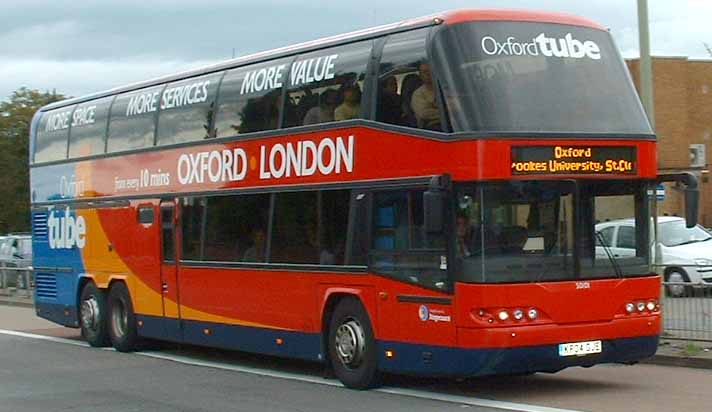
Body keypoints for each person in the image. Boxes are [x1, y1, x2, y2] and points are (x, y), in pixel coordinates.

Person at [410, 62, 441, 130]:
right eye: (425, 72)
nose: (428, 74)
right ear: (420, 76)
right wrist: (445, 112)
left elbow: (458, 107)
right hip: (432, 130)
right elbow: (424, 114)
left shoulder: (445, 89)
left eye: (430, 71)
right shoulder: (418, 94)